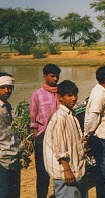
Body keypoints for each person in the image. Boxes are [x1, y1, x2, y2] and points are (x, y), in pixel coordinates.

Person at [43, 80, 88, 198]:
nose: (74, 98)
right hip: (65, 172)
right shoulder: (60, 118)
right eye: (69, 95)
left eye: (75, 95)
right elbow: (60, 148)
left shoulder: (70, 114)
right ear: (60, 97)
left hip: (75, 167)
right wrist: (67, 170)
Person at [84, 66, 105, 198]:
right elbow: (92, 118)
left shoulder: (101, 91)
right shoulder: (99, 95)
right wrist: (87, 134)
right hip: (104, 138)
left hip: (104, 136)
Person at [30, 63, 61, 198]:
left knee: (58, 169)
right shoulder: (37, 95)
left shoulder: (62, 93)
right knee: (42, 173)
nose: (55, 79)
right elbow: (33, 118)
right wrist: (37, 135)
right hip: (42, 138)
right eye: (52, 76)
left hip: (59, 136)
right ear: (45, 76)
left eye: (57, 76)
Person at [0, 72, 21, 198]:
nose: (7, 90)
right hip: (2, 158)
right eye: (3, 87)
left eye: (9, 87)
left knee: (13, 193)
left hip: (13, 155)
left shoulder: (8, 106)